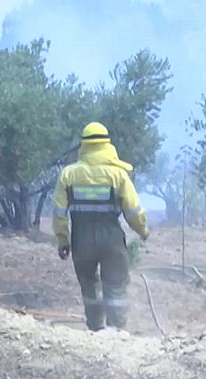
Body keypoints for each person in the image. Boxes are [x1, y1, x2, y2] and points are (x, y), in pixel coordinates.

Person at [52, 122, 150, 331]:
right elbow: (133, 210)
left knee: (89, 287)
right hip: (111, 238)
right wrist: (142, 230)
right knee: (115, 287)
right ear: (107, 143)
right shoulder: (118, 175)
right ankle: (117, 333)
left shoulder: (68, 175)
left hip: (81, 238)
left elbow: (59, 212)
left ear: (83, 145)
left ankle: (95, 330)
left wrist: (63, 240)